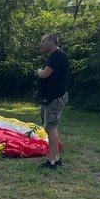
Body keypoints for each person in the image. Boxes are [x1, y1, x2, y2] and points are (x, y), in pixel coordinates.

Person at [37, 33, 69, 169]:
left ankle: (53, 159)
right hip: (50, 98)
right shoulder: (54, 56)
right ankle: (55, 158)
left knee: (51, 127)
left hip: (55, 98)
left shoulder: (57, 56)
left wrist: (39, 71)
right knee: (51, 127)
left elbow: (45, 74)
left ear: (51, 41)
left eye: (44, 41)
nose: (42, 44)